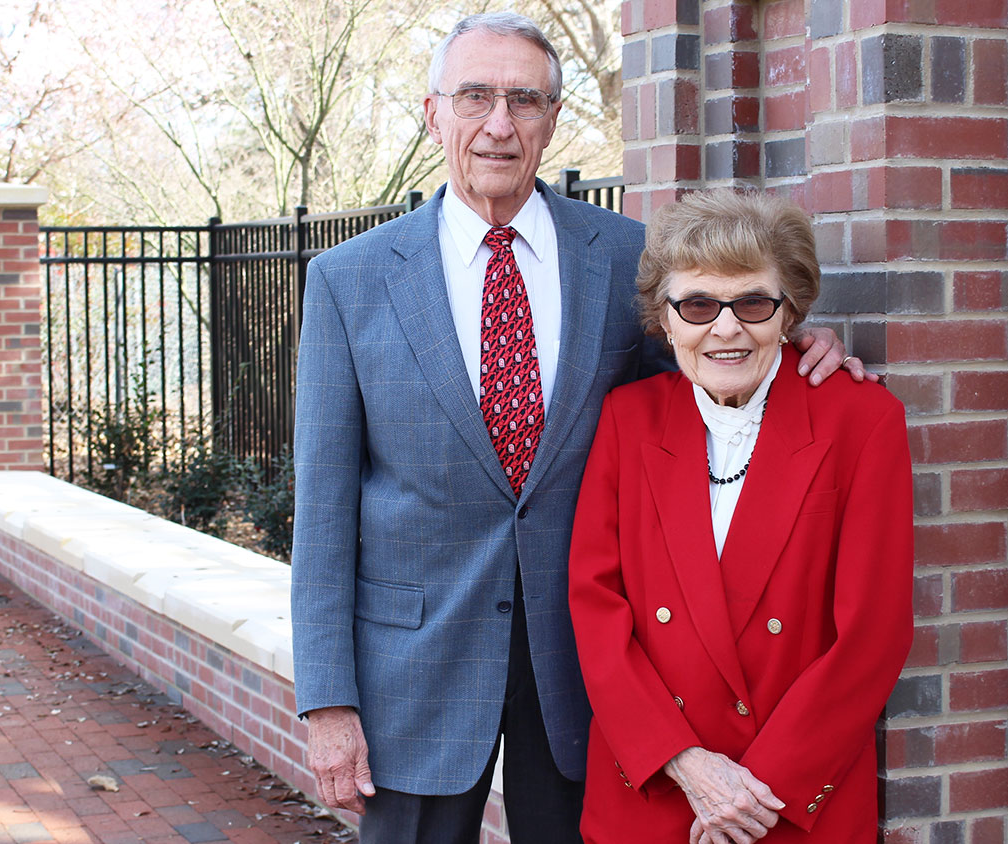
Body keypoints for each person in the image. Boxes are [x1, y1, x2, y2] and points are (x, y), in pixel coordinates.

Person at [290, 14, 871, 844]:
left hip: (582, 669)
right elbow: (322, 514)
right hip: (411, 674)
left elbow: (712, 355)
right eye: (476, 97)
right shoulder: (348, 282)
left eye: (525, 100)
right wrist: (328, 703)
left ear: (553, 119)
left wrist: (798, 348)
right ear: (433, 113)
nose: (500, 123)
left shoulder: (629, 259)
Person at [568, 190, 913, 844]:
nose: (725, 328)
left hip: (787, 804)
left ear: (789, 313)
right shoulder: (627, 419)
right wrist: (688, 765)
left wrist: (751, 796)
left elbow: (873, 636)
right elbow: (595, 608)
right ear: (663, 321)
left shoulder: (863, 423)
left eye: (753, 303)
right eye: (697, 305)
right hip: (655, 789)